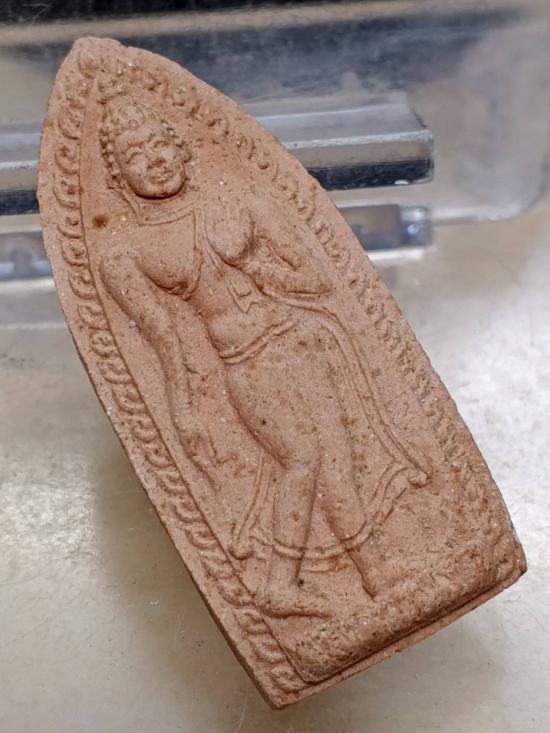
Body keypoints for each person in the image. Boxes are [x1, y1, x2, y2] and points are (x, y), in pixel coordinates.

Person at [98, 96, 427, 618]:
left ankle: (374, 574)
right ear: (118, 177)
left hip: (301, 343)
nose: (155, 160)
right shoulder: (125, 252)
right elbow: (161, 338)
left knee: (336, 464)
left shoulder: (240, 201)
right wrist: (184, 410)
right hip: (243, 363)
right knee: (301, 460)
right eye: (136, 155)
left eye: (160, 144)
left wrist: (252, 261)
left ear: (182, 149)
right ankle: (282, 585)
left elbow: (315, 281)